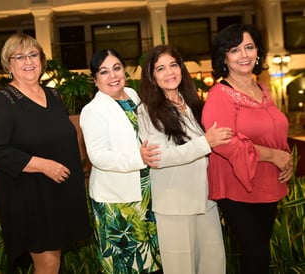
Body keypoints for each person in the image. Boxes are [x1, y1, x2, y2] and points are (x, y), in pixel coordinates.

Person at [0, 34, 91, 274]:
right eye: (19, 57)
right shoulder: (3, 99)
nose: (28, 61)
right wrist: (43, 165)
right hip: (28, 194)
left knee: (54, 259)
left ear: (41, 60)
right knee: (48, 263)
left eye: (33, 55)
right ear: (8, 64)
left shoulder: (53, 95)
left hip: (58, 192)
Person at [201, 24, 293, 274]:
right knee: (256, 254)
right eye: (234, 50)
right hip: (236, 189)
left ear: (258, 52)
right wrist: (273, 155)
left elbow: (276, 132)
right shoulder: (220, 94)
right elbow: (223, 142)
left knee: (260, 255)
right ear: (224, 57)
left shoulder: (263, 89)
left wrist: (285, 159)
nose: (244, 55)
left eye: (249, 47)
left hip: (267, 185)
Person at [138, 44, 231, 274]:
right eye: (160, 68)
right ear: (151, 76)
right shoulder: (147, 110)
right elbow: (160, 157)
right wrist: (205, 143)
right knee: (181, 268)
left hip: (206, 202)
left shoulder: (193, 103)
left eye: (173, 65)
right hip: (175, 206)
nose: (169, 72)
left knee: (214, 265)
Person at [80, 48, 162, 274]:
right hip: (118, 202)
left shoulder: (133, 96)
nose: (112, 76)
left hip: (145, 193)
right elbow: (97, 156)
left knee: (151, 263)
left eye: (116, 68)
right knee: (125, 267)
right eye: (104, 72)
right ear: (95, 79)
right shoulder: (93, 110)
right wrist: (139, 157)